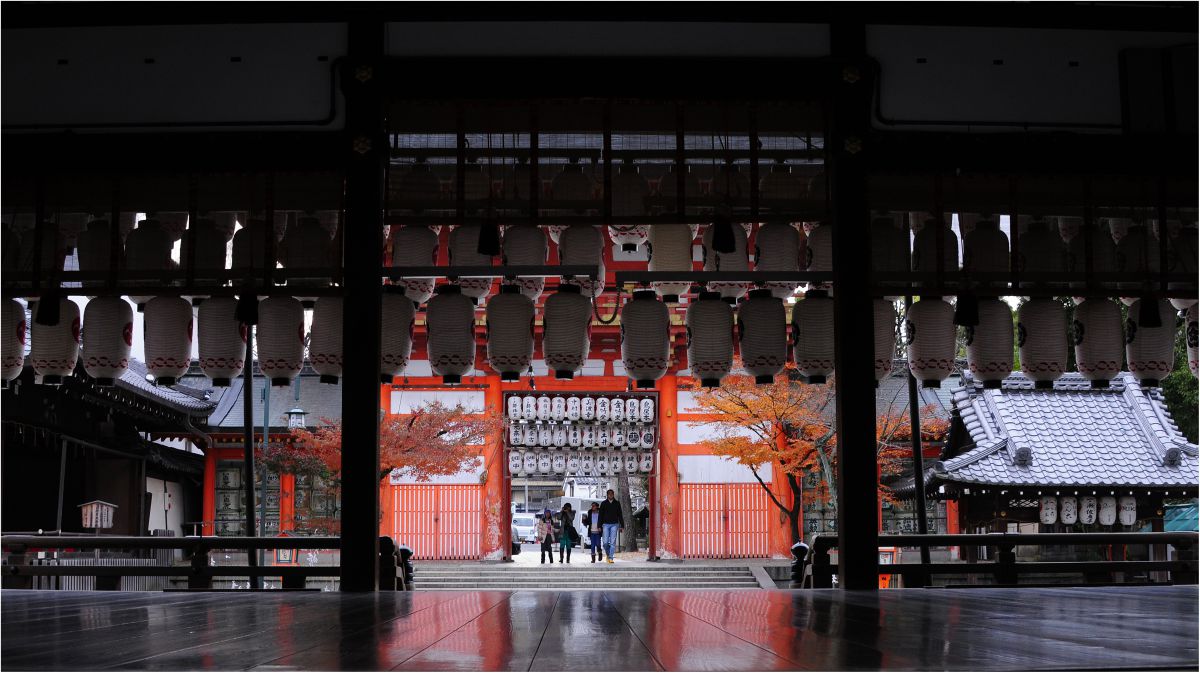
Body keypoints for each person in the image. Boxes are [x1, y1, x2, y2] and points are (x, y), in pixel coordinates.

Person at [598, 489, 624, 564]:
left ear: (613, 494)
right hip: (605, 524)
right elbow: (600, 516)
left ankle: (611, 558)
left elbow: (620, 515)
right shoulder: (603, 503)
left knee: (612, 542)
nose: (610, 495)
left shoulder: (617, 503)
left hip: (614, 524)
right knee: (605, 542)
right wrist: (599, 526)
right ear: (607, 495)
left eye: (611, 494)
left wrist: (622, 525)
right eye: (609, 494)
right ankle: (608, 554)